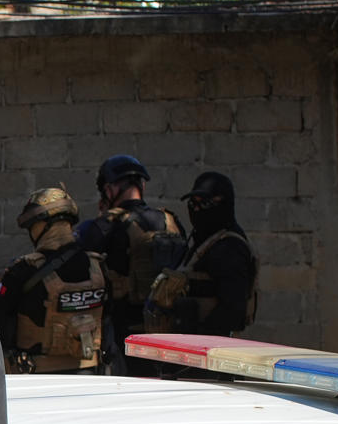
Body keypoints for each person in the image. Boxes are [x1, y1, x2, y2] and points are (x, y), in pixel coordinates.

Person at [75, 153, 186, 369]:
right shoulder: (170, 221)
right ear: (142, 185)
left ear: (110, 189)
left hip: (124, 333)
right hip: (171, 330)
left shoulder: (105, 226)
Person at [0, 187, 109, 373]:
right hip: (90, 375)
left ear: (41, 224)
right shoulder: (97, 267)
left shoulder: (24, 270)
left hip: (37, 380)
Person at [145, 171, 258, 337]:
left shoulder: (229, 247)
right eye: (193, 204)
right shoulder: (203, 239)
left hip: (210, 348)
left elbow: (233, 309)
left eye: (204, 204)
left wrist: (201, 339)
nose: (196, 210)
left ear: (223, 204)